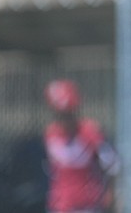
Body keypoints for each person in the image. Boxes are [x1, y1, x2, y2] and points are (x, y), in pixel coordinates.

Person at [42, 79, 119, 213]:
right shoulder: (51, 135)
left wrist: (110, 194)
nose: (65, 120)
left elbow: (112, 165)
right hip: (61, 206)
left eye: (68, 114)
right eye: (60, 115)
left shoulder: (90, 133)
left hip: (88, 205)